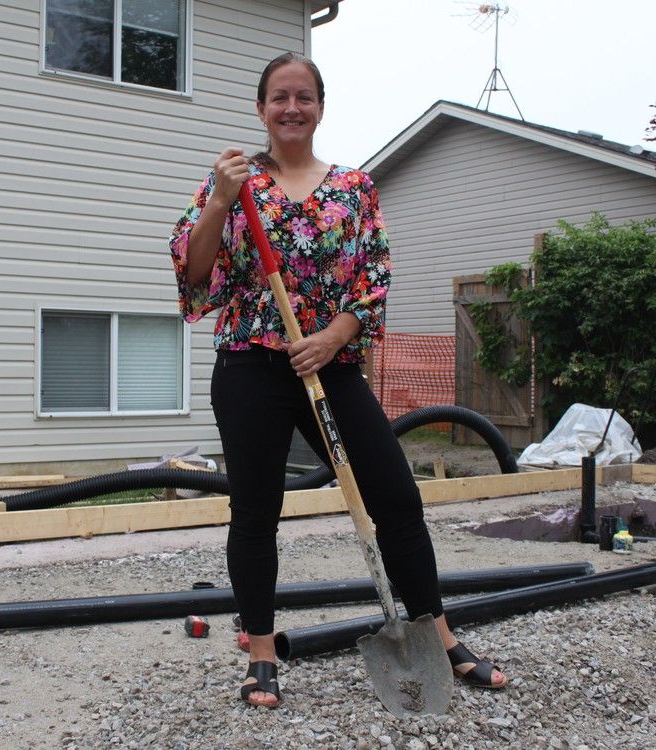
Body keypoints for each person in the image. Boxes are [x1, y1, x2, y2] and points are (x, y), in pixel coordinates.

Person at [168, 52, 508, 708]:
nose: (291, 108)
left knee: (397, 500)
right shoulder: (235, 184)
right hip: (250, 365)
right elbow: (196, 273)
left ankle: (437, 633)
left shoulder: (354, 187)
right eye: (278, 98)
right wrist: (218, 200)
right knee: (256, 512)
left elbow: (374, 276)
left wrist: (333, 337)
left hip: (332, 365)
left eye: (303, 97)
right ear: (261, 108)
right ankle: (262, 653)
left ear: (320, 107)